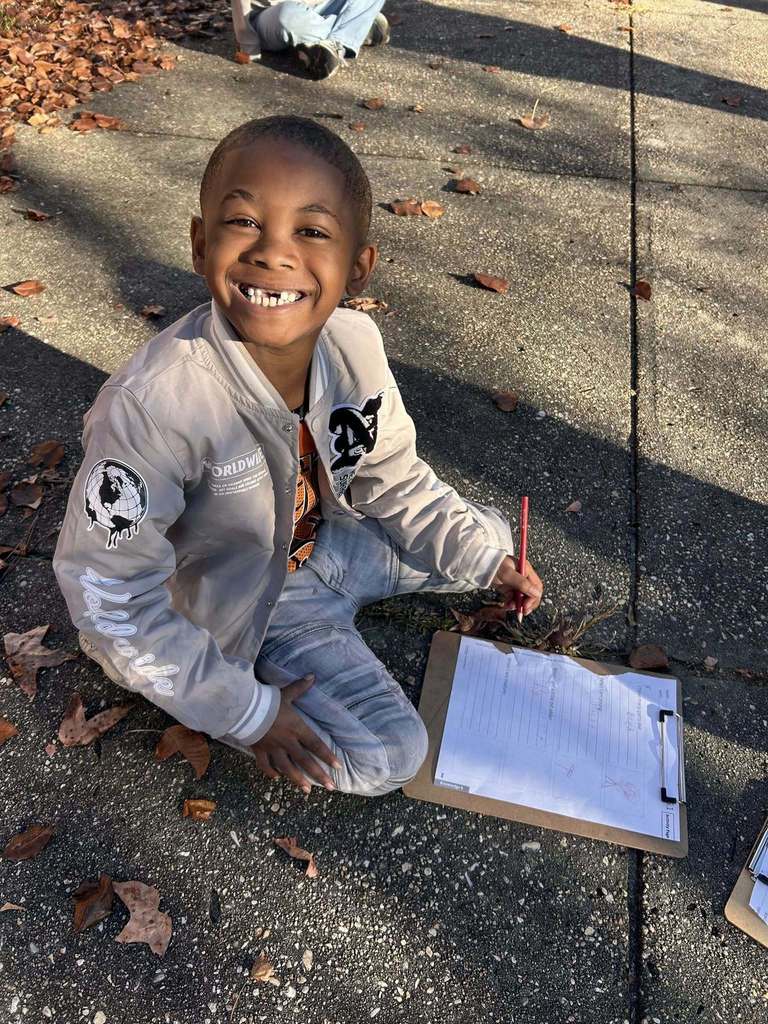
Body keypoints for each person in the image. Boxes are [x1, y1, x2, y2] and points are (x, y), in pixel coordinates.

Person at [52, 116, 543, 799]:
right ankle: (257, 678)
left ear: (357, 266)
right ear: (200, 244)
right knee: (388, 755)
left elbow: (391, 475)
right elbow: (110, 599)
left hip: (333, 542)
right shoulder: (157, 405)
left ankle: (457, 562)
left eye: (311, 232)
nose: (273, 254)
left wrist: (484, 563)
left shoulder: (354, 344)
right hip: (250, 603)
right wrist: (249, 713)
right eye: (244, 223)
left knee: (488, 541)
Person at [231, 0, 390, 80]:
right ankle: (358, 26)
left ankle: (336, 44)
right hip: (274, 16)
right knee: (289, 15)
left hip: (319, 8)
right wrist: (248, 46)